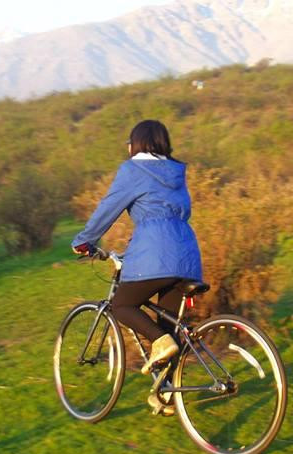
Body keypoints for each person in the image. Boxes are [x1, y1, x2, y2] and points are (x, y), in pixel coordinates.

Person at [72, 120, 203, 415]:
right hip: (187, 256)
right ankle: (166, 395)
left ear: (136, 144)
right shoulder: (175, 173)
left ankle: (159, 343)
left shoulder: (133, 170)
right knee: (169, 327)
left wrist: (84, 241)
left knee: (121, 306)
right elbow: (166, 214)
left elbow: (108, 208)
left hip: (156, 254)